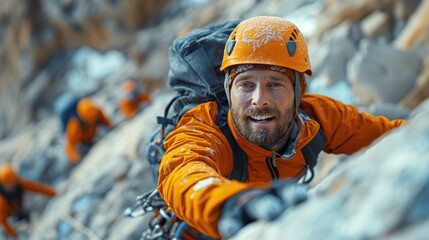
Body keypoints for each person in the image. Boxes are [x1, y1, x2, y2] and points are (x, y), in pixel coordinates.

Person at [156, 16, 406, 239]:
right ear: (228, 91)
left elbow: (395, 135)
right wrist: (233, 203)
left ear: (299, 92)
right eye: (245, 85)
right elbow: (183, 172)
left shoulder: (318, 116)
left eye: (275, 84)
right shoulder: (204, 127)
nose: (259, 99)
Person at [0, 163, 56, 238]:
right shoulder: (2, 200)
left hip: (18, 209)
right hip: (7, 215)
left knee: (26, 217)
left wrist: (54, 193)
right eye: (8, 185)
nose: (11, 186)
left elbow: (37, 188)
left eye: (13, 183)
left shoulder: (19, 183)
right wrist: (14, 234)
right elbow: (3, 221)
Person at [65, 98, 113, 163]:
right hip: (84, 144)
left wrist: (110, 126)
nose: (93, 121)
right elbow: (70, 147)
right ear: (83, 119)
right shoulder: (74, 126)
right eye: (90, 121)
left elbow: (106, 122)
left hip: (92, 138)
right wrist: (76, 158)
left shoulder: (96, 111)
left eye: (94, 119)